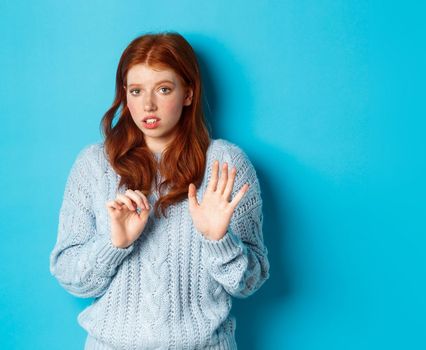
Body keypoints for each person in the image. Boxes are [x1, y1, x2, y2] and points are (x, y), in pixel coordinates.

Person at [49, 31, 270, 350]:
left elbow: (250, 282)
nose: (148, 105)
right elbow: (70, 277)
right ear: (124, 95)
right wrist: (114, 243)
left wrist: (218, 240)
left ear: (188, 94)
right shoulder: (95, 165)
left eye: (164, 89)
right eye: (136, 91)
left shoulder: (225, 163)